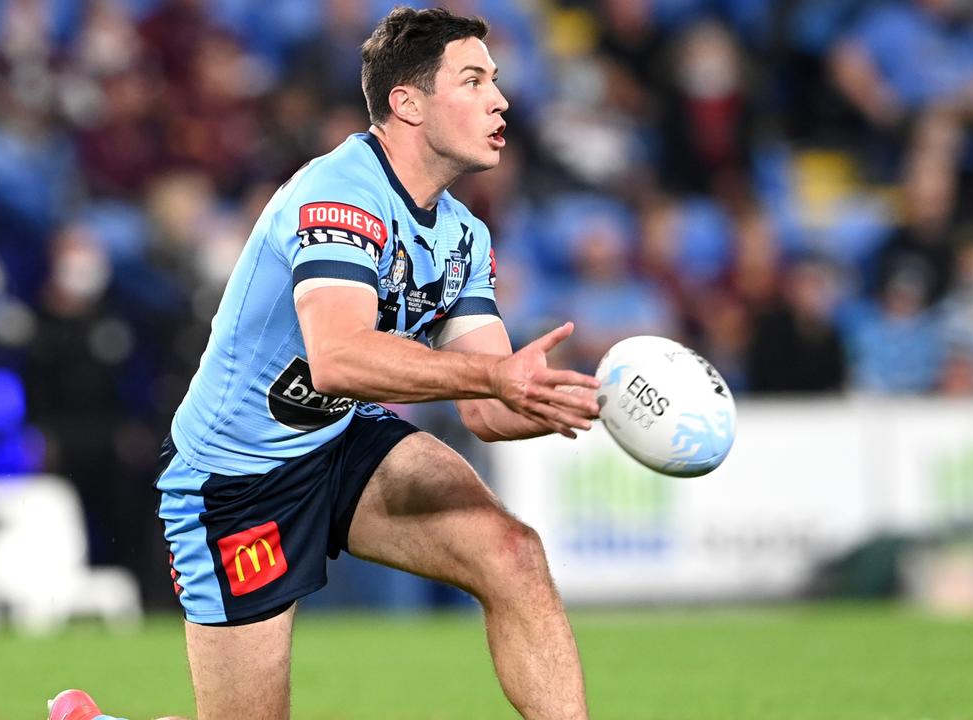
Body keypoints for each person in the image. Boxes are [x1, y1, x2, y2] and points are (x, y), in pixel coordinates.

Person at [51, 8, 599, 720]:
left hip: (338, 440)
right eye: (473, 80)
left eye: (495, 80)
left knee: (512, 554)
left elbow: (486, 408)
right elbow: (337, 358)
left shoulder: (463, 235)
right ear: (407, 101)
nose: (501, 98)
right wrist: (497, 376)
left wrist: (601, 401)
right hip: (236, 478)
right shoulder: (338, 192)